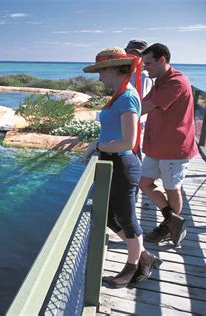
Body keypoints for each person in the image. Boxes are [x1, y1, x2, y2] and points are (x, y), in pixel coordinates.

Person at [82, 47, 161, 288]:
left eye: (101, 71)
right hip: (113, 163)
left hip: (123, 164)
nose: (99, 77)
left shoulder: (127, 96)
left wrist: (99, 146)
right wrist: (98, 145)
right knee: (107, 216)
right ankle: (144, 256)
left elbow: (128, 141)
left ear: (114, 69)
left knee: (127, 219)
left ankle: (133, 265)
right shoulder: (120, 95)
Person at [139, 43, 199, 247]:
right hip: (157, 145)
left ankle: (168, 227)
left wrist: (118, 117)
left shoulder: (176, 82)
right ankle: (172, 221)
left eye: (148, 63)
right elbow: (141, 102)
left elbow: (145, 107)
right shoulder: (160, 80)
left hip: (174, 147)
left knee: (172, 189)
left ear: (162, 60)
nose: (144, 68)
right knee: (144, 183)